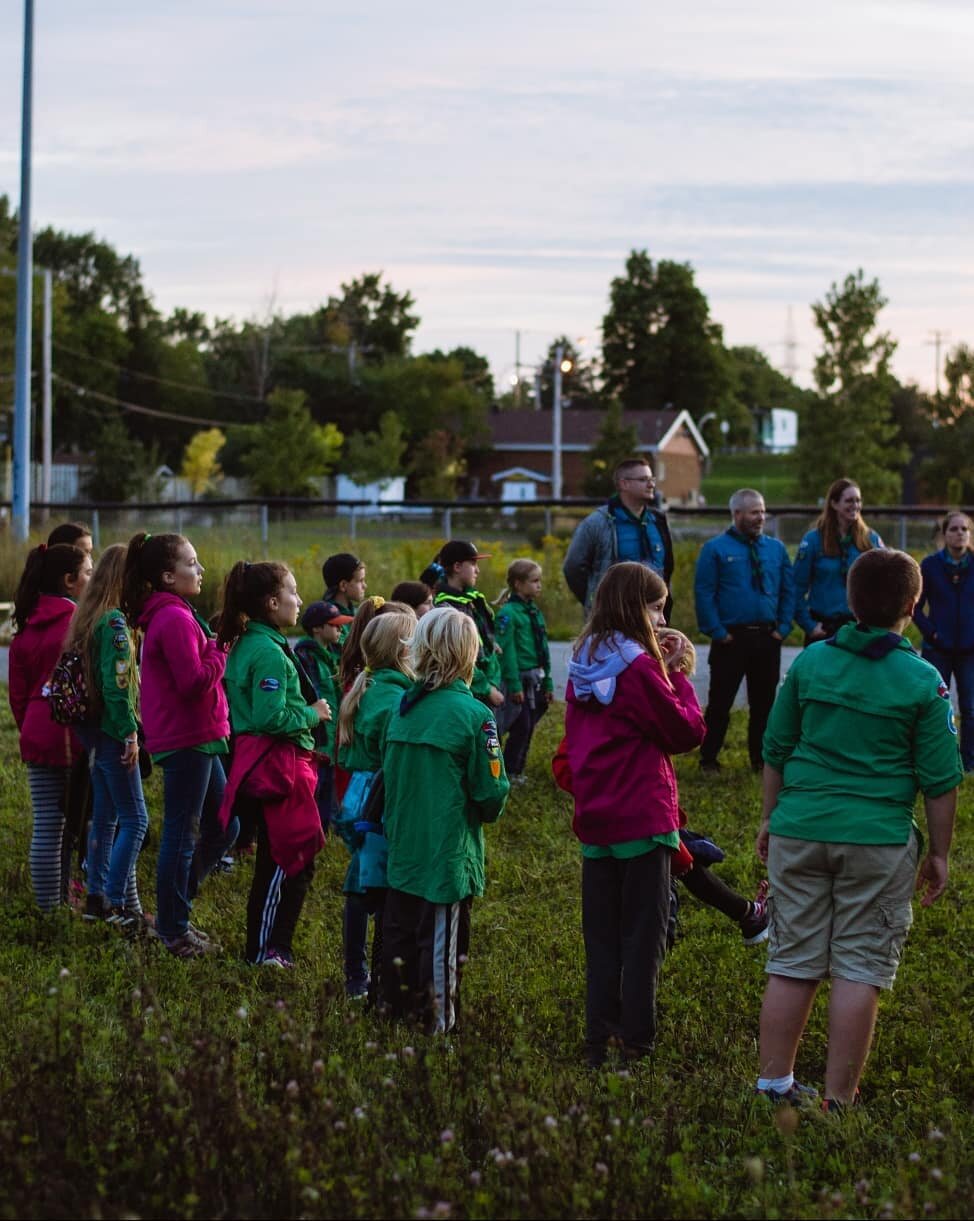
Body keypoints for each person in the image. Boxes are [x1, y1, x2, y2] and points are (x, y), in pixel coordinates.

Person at [755, 548, 961, 1111]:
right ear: (914, 606)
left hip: (799, 830)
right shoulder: (922, 681)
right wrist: (939, 853)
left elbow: (775, 748)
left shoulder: (811, 662)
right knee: (859, 966)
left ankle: (773, 1087)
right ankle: (837, 1100)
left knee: (792, 960)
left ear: (849, 600)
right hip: (877, 841)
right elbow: (941, 780)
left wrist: (772, 817)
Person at [564, 562, 706, 1068]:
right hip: (643, 818)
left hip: (597, 818)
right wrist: (681, 678)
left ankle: (597, 1040)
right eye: (655, 605)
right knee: (643, 939)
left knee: (602, 937)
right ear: (634, 607)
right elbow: (684, 732)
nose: (662, 616)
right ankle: (636, 1044)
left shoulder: (584, 658)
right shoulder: (640, 669)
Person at [381, 607, 510, 1032]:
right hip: (445, 856)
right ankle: (439, 1027)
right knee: (441, 944)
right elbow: (491, 792)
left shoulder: (403, 709)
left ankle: (393, 1015)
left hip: (403, 851)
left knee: (399, 935)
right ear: (468, 655)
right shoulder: (476, 716)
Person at [123, 532, 238, 959]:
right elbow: (192, 682)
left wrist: (214, 644)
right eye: (192, 563)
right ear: (168, 576)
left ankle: (174, 909)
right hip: (187, 737)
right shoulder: (171, 617)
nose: (201, 569)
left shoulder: (179, 611)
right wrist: (222, 649)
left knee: (227, 826)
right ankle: (173, 929)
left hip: (202, 736)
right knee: (183, 832)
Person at [218, 562, 332, 968]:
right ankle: (265, 949)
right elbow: (270, 718)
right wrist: (312, 713)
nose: (299, 600)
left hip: (280, 763)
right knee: (286, 857)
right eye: (293, 592)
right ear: (271, 602)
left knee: (293, 855)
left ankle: (276, 947)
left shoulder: (257, 641)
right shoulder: (266, 651)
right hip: (278, 764)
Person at [335, 609, 418, 1005]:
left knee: (363, 880)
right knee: (375, 887)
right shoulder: (394, 697)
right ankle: (361, 976)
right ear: (404, 650)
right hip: (379, 798)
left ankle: (359, 971)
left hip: (360, 793)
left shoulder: (373, 685)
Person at [65, 544, 149, 928]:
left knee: (105, 816)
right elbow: (117, 687)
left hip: (95, 731)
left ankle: (97, 895)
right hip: (114, 731)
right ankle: (115, 902)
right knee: (136, 819)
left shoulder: (89, 617)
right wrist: (130, 733)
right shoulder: (114, 624)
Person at [8, 543, 93, 912]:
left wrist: (30, 729)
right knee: (73, 824)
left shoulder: (25, 628)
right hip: (71, 734)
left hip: (36, 733)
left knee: (47, 824)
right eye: (89, 572)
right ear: (70, 581)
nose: (93, 579)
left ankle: (49, 908)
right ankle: (62, 905)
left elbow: (17, 697)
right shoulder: (79, 622)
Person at [694, 489, 794, 772]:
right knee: (719, 705)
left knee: (764, 706)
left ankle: (759, 760)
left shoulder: (775, 549)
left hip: (767, 637)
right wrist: (717, 631)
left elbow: (789, 590)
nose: (760, 517)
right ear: (736, 514)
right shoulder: (715, 549)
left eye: (763, 511)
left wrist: (783, 628)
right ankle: (709, 758)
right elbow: (704, 593)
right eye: (753, 512)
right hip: (730, 639)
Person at [562, 457, 673, 614]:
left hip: (653, 617)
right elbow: (573, 567)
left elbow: (666, 569)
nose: (651, 485)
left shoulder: (658, 521)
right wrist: (597, 601)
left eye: (652, 479)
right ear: (623, 484)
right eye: (643, 480)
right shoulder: (597, 523)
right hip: (612, 618)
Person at [914, 510, 974, 772]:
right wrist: (932, 632)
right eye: (954, 529)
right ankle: (936, 760)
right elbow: (915, 606)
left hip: (970, 650)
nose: (959, 533)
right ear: (944, 534)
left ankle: (968, 762)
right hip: (937, 649)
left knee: (970, 710)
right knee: (935, 707)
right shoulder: (930, 566)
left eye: (964, 529)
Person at [793, 478, 882, 645]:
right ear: (833, 504)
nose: (855, 505)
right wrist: (809, 625)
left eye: (858, 500)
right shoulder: (813, 540)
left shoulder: (870, 540)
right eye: (849, 500)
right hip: (823, 631)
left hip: (859, 631)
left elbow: (882, 584)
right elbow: (796, 587)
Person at [293, 600, 354, 833]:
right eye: (334, 625)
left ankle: (324, 833)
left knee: (329, 793)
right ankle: (313, 833)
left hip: (333, 739)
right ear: (317, 629)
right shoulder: (306, 656)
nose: (340, 630)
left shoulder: (332, 655)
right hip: (318, 740)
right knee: (316, 793)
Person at [425, 541, 505, 710]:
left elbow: (483, 639)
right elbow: (458, 657)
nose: (478, 570)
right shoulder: (445, 608)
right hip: (469, 690)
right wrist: (486, 688)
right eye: (473, 564)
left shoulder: (472, 600)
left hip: (487, 683)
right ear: (457, 566)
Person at [494, 559, 554, 781]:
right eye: (534, 581)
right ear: (518, 584)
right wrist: (514, 684)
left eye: (540, 581)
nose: (539, 585)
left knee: (528, 725)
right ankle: (510, 770)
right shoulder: (508, 613)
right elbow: (506, 652)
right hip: (517, 679)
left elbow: (544, 647)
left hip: (534, 676)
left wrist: (547, 679)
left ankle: (517, 769)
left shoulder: (533, 611)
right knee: (521, 725)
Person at [322, 553, 368, 618]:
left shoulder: (357, 613)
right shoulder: (329, 619)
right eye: (360, 581)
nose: (365, 586)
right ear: (343, 585)